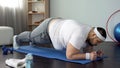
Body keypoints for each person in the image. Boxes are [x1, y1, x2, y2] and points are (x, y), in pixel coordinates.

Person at [14, 17, 107, 61]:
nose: (97, 44)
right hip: (47, 30)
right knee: (31, 37)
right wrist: (88, 56)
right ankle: (17, 38)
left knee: (34, 40)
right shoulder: (80, 34)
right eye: (98, 41)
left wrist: (95, 54)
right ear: (94, 35)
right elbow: (69, 56)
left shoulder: (89, 32)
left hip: (57, 28)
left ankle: (32, 42)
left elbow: (88, 48)